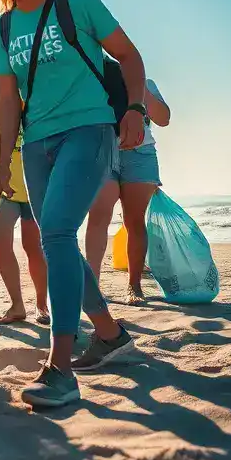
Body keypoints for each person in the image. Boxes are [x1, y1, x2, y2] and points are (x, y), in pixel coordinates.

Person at [0, 0, 145, 407]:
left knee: (54, 233)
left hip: (89, 130)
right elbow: (8, 100)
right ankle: (110, 334)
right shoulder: (3, 27)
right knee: (54, 240)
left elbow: (129, 56)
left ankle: (59, 369)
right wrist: (1, 161)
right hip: (35, 144)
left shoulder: (76, 2)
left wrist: (135, 108)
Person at [85, 78, 170, 304]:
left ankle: (134, 286)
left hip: (139, 154)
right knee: (99, 215)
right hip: (102, 153)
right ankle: (92, 286)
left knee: (133, 220)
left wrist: (138, 85)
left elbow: (163, 119)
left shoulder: (145, 82)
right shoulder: (91, 77)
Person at [0, 109, 49, 325]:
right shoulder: (3, 102)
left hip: (36, 186)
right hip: (5, 187)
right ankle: (17, 305)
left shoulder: (40, 96)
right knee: (1, 244)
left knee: (33, 247)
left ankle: (42, 305)